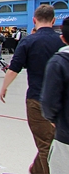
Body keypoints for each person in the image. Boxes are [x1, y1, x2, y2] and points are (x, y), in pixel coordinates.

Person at [0, 4, 63, 174]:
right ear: (54, 20)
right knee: (51, 140)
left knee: (45, 144)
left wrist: (4, 88)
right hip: (61, 101)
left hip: (37, 99)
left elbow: (13, 69)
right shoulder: (61, 41)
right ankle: (35, 170)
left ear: (34, 20)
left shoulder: (28, 41)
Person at [41, 17, 69, 173]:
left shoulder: (59, 62)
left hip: (66, 135)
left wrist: (52, 118)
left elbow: (49, 101)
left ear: (63, 38)